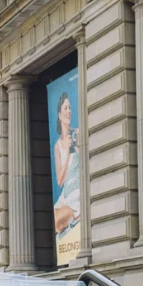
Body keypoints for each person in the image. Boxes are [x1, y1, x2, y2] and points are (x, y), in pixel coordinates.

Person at [53, 92, 81, 234]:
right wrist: (68, 151)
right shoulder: (57, 146)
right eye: (65, 108)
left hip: (77, 192)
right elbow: (59, 181)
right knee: (53, 221)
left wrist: (75, 147)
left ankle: (77, 215)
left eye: (70, 108)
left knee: (58, 222)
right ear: (59, 115)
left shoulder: (77, 133)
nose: (69, 111)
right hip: (65, 194)